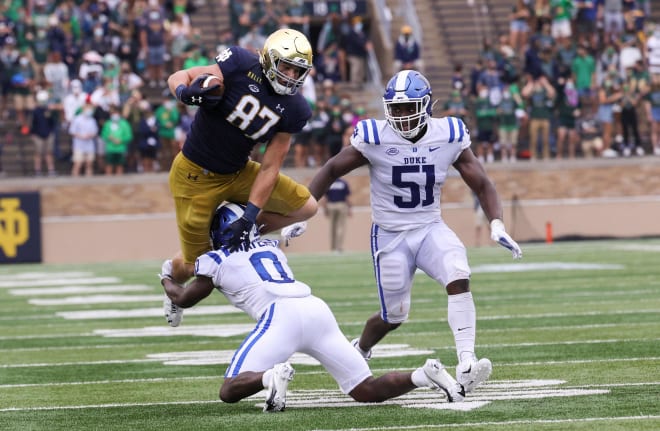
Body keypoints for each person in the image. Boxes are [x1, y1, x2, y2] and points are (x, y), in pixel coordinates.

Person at [302, 70, 523, 396]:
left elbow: (481, 181)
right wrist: (304, 210)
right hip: (390, 235)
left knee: (458, 273)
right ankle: (361, 348)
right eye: (397, 108)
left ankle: (466, 363)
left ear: (427, 105)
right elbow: (332, 168)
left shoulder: (447, 133)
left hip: (430, 226)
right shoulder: (375, 136)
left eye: (409, 107)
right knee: (393, 316)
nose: (403, 115)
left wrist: (497, 223)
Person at [160, 202, 466, 413]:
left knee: (229, 391)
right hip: (315, 309)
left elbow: (184, 298)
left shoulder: (215, 259)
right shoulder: (270, 247)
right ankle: (424, 376)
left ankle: (270, 377)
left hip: (280, 316)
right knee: (365, 389)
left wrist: (165, 277)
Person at [165, 28, 318, 284]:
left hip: (238, 171)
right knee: (199, 266)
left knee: (307, 207)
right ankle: (170, 272)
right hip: (194, 175)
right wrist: (183, 92)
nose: (291, 76)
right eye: (286, 66)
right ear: (270, 58)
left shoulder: (296, 108)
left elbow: (270, 167)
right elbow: (181, 75)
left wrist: (248, 219)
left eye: (297, 71)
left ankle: (230, 233)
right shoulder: (239, 63)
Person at [323, 178, 351, 253]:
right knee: (341, 227)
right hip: (341, 205)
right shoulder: (343, 183)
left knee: (332, 227)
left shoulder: (329, 183)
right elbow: (347, 197)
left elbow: (326, 197)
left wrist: (325, 209)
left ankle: (333, 248)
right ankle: (339, 247)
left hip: (331, 205)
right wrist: (349, 208)